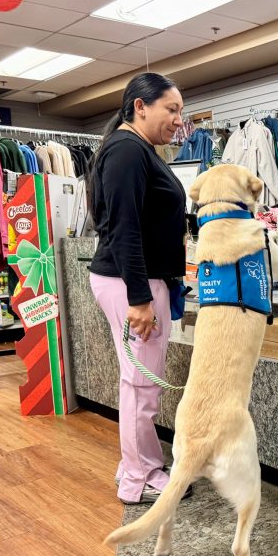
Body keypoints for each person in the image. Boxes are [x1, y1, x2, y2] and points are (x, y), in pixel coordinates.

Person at [87, 73, 188, 505]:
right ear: (139, 107)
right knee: (142, 384)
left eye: (180, 110)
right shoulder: (128, 151)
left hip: (135, 279)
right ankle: (140, 476)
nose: (178, 120)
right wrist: (140, 299)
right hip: (134, 283)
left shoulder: (134, 149)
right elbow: (125, 229)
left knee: (136, 380)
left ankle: (135, 463)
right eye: (172, 109)